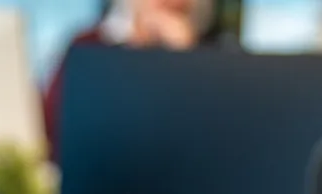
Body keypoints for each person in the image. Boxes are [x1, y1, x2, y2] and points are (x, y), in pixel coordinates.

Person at [43, 0, 228, 162]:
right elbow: (52, 128)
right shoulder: (88, 45)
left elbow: (213, 140)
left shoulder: (211, 55)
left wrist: (184, 53)